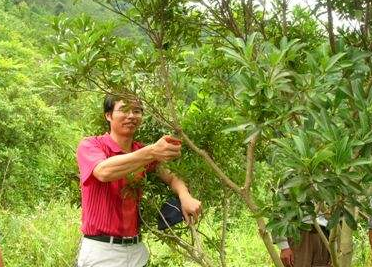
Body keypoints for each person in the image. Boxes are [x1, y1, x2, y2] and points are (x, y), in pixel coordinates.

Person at [76, 94, 202, 267]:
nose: (131, 116)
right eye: (124, 110)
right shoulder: (91, 145)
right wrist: (152, 152)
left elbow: (171, 175)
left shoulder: (141, 151)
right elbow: (103, 171)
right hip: (102, 251)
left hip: (135, 250)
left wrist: (184, 195)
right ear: (108, 115)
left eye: (137, 111)